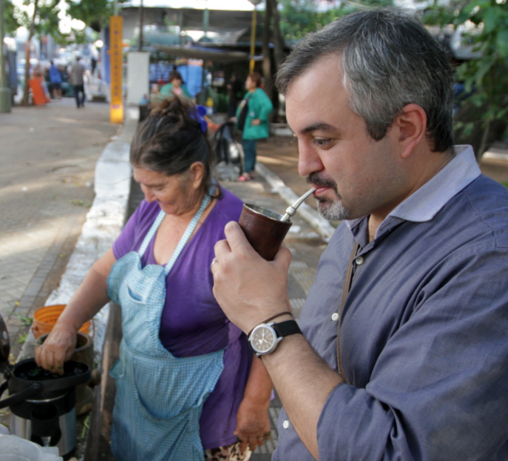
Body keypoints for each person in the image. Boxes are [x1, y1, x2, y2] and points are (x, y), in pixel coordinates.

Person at [211, 8, 508, 460]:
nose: (304, 166)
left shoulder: (490, 257)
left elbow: (393, 451)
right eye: (297, 140)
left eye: (323, 141)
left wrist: (268, 321)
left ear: (406, 129)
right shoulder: (362, 210)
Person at [37, 96, 274, 461]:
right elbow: (104, 270)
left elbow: (270, 326)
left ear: (195, 173)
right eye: (141, 184)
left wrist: (256, 404)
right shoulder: (151, 213)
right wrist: (68, 322)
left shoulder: (235, 230)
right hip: (140, 401)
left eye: (158, 186)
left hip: (204, 416)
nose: (146, 197)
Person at [236, 73, 272, 181]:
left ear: (254, 82)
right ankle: (250, 170)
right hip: (247, 128)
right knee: (249, 149)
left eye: (248, 80)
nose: (246, 83)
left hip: (251, 129)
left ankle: (246, 172)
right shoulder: (250, 94)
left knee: (248, 149)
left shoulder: (259, 93)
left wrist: (260, 118)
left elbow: (268, 106)